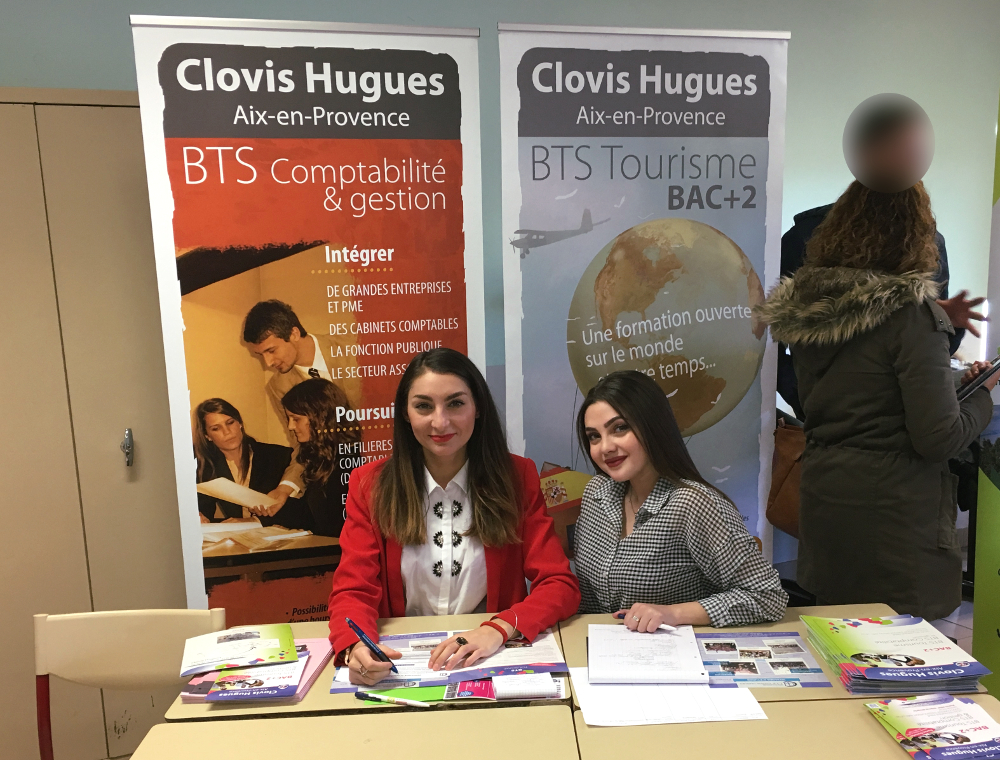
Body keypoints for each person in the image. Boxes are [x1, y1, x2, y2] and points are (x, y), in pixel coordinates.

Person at [758, 179, 996, 620]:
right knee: (901, 672)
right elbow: (938, 438)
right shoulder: (910, 317)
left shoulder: (813, 312)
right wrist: (981, 394)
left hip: (827, 502)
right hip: (895, 523)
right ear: (914, 235)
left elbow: (848, 397)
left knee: (837, 647)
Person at [327, 348, 580, 686]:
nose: (440, 421)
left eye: (456, 403)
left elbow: (559, 585)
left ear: (478, 409)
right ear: (405, 414)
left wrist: (497, 630)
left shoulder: (516, 477)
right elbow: (353, 591)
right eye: (423, 406)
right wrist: (355, 646)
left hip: (488, 659)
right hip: (403, 667)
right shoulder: (370, 485)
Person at [778, 99, 984, 417]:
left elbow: (934, 347)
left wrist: (944, 320)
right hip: (851, 428)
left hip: (883, 424)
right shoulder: (804, 238)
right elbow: (769, 342)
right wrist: (806, 403)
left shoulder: (928, 242)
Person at [573, 370, 787, 631]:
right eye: (594, 436)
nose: (605, 447)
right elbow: (588, 601)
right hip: (602, 649)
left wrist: (672, 613)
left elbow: (767, 596)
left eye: (620, 428)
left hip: (677, 653)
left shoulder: (691, 503)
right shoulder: (596, 493)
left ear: (652, 427)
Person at [242, 300, 355, 512]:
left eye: (272, 350)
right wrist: (285, 488)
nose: (268, 363)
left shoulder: (355, 351)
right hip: (335, 482)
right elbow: (302, 444)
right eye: (261, 355)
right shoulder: (279, 386)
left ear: (293, 333)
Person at [193, 398, 301, 525]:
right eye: (216, 428)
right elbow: (204, 508)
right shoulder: (207, 466)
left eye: (230, 423)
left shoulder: (278, 455)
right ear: (207, 436)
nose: (227, 432)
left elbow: (298, 510)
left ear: (240, 423)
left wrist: (253, 520)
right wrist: (199, 517)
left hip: (282, 534)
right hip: (242, 538)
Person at [281, 378, 361, 537]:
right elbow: (310, 513)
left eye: (296, 419)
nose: (290, 427)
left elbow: (333, 523)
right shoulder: (322, 454)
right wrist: (262, 517)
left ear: (320, 417)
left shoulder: (353, 459)